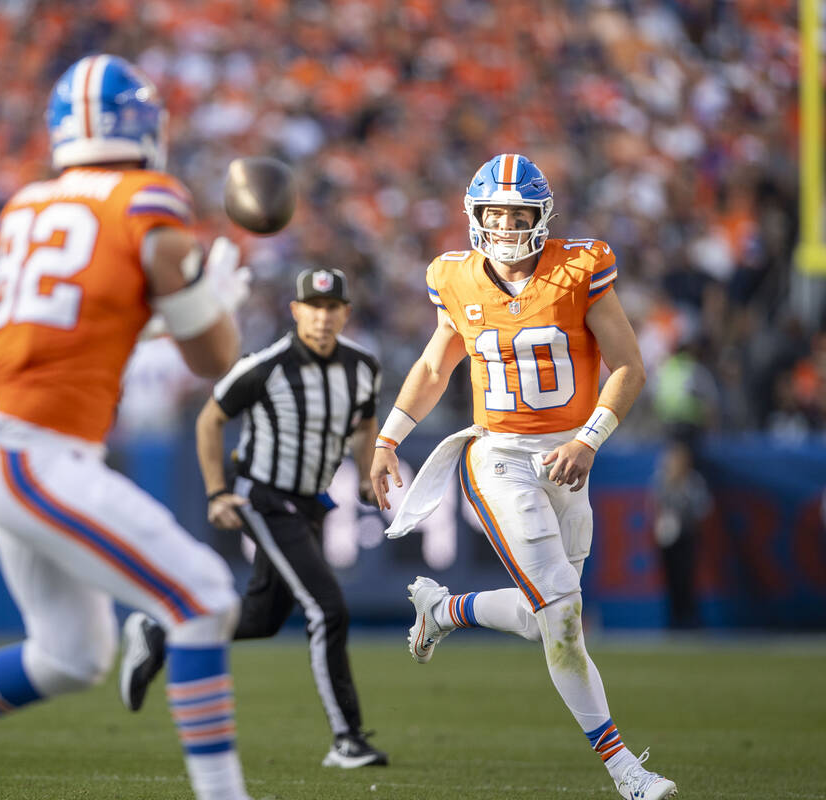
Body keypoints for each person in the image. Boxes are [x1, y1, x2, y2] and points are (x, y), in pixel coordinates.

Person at [0, 54, 254, 800]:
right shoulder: (149, 200)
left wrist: (174, 305)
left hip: (10, 447)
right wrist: (204, 303)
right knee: (204, 598)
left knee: (70, 655)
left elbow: (82, 330)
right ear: (144, 126)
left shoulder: (26, 205)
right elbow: (216, 358)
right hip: (36, 456)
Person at [369, 154, 678, 800]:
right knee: (563, 612)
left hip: (569, 459)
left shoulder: (579, 269)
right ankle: (625, 770)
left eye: (518, 214)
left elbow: (628, 366)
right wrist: (389, 436)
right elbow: (433, 367)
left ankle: (443, 609)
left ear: (541, 217)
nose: (506, 226)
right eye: (495, 214)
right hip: (499, 458)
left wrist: (591, 439)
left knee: (551, 619)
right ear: (474, 217)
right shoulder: (455, 279)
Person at [119, 268, 388, 768]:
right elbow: (210, 418)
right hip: (265, 498)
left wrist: (370, 475)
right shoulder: (266, 366)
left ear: (345, 313)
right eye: (313, 306)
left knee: (263, 620)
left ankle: (161, 631)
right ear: (296, 310)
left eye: (332, 308)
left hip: (311, 502)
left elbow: (366, 420)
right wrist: (218, 491)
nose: (323, 317)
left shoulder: (363, 367)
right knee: (327, 608)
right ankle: (347, 738)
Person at [651, 435, 711, 629]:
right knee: (670, 578)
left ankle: (690, 619)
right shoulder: (662, 479)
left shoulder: (693, 481)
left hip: (687, 535)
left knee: (686, 577)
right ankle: (674, 619)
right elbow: (654, 505)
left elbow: (703, 507)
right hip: (667, 538)